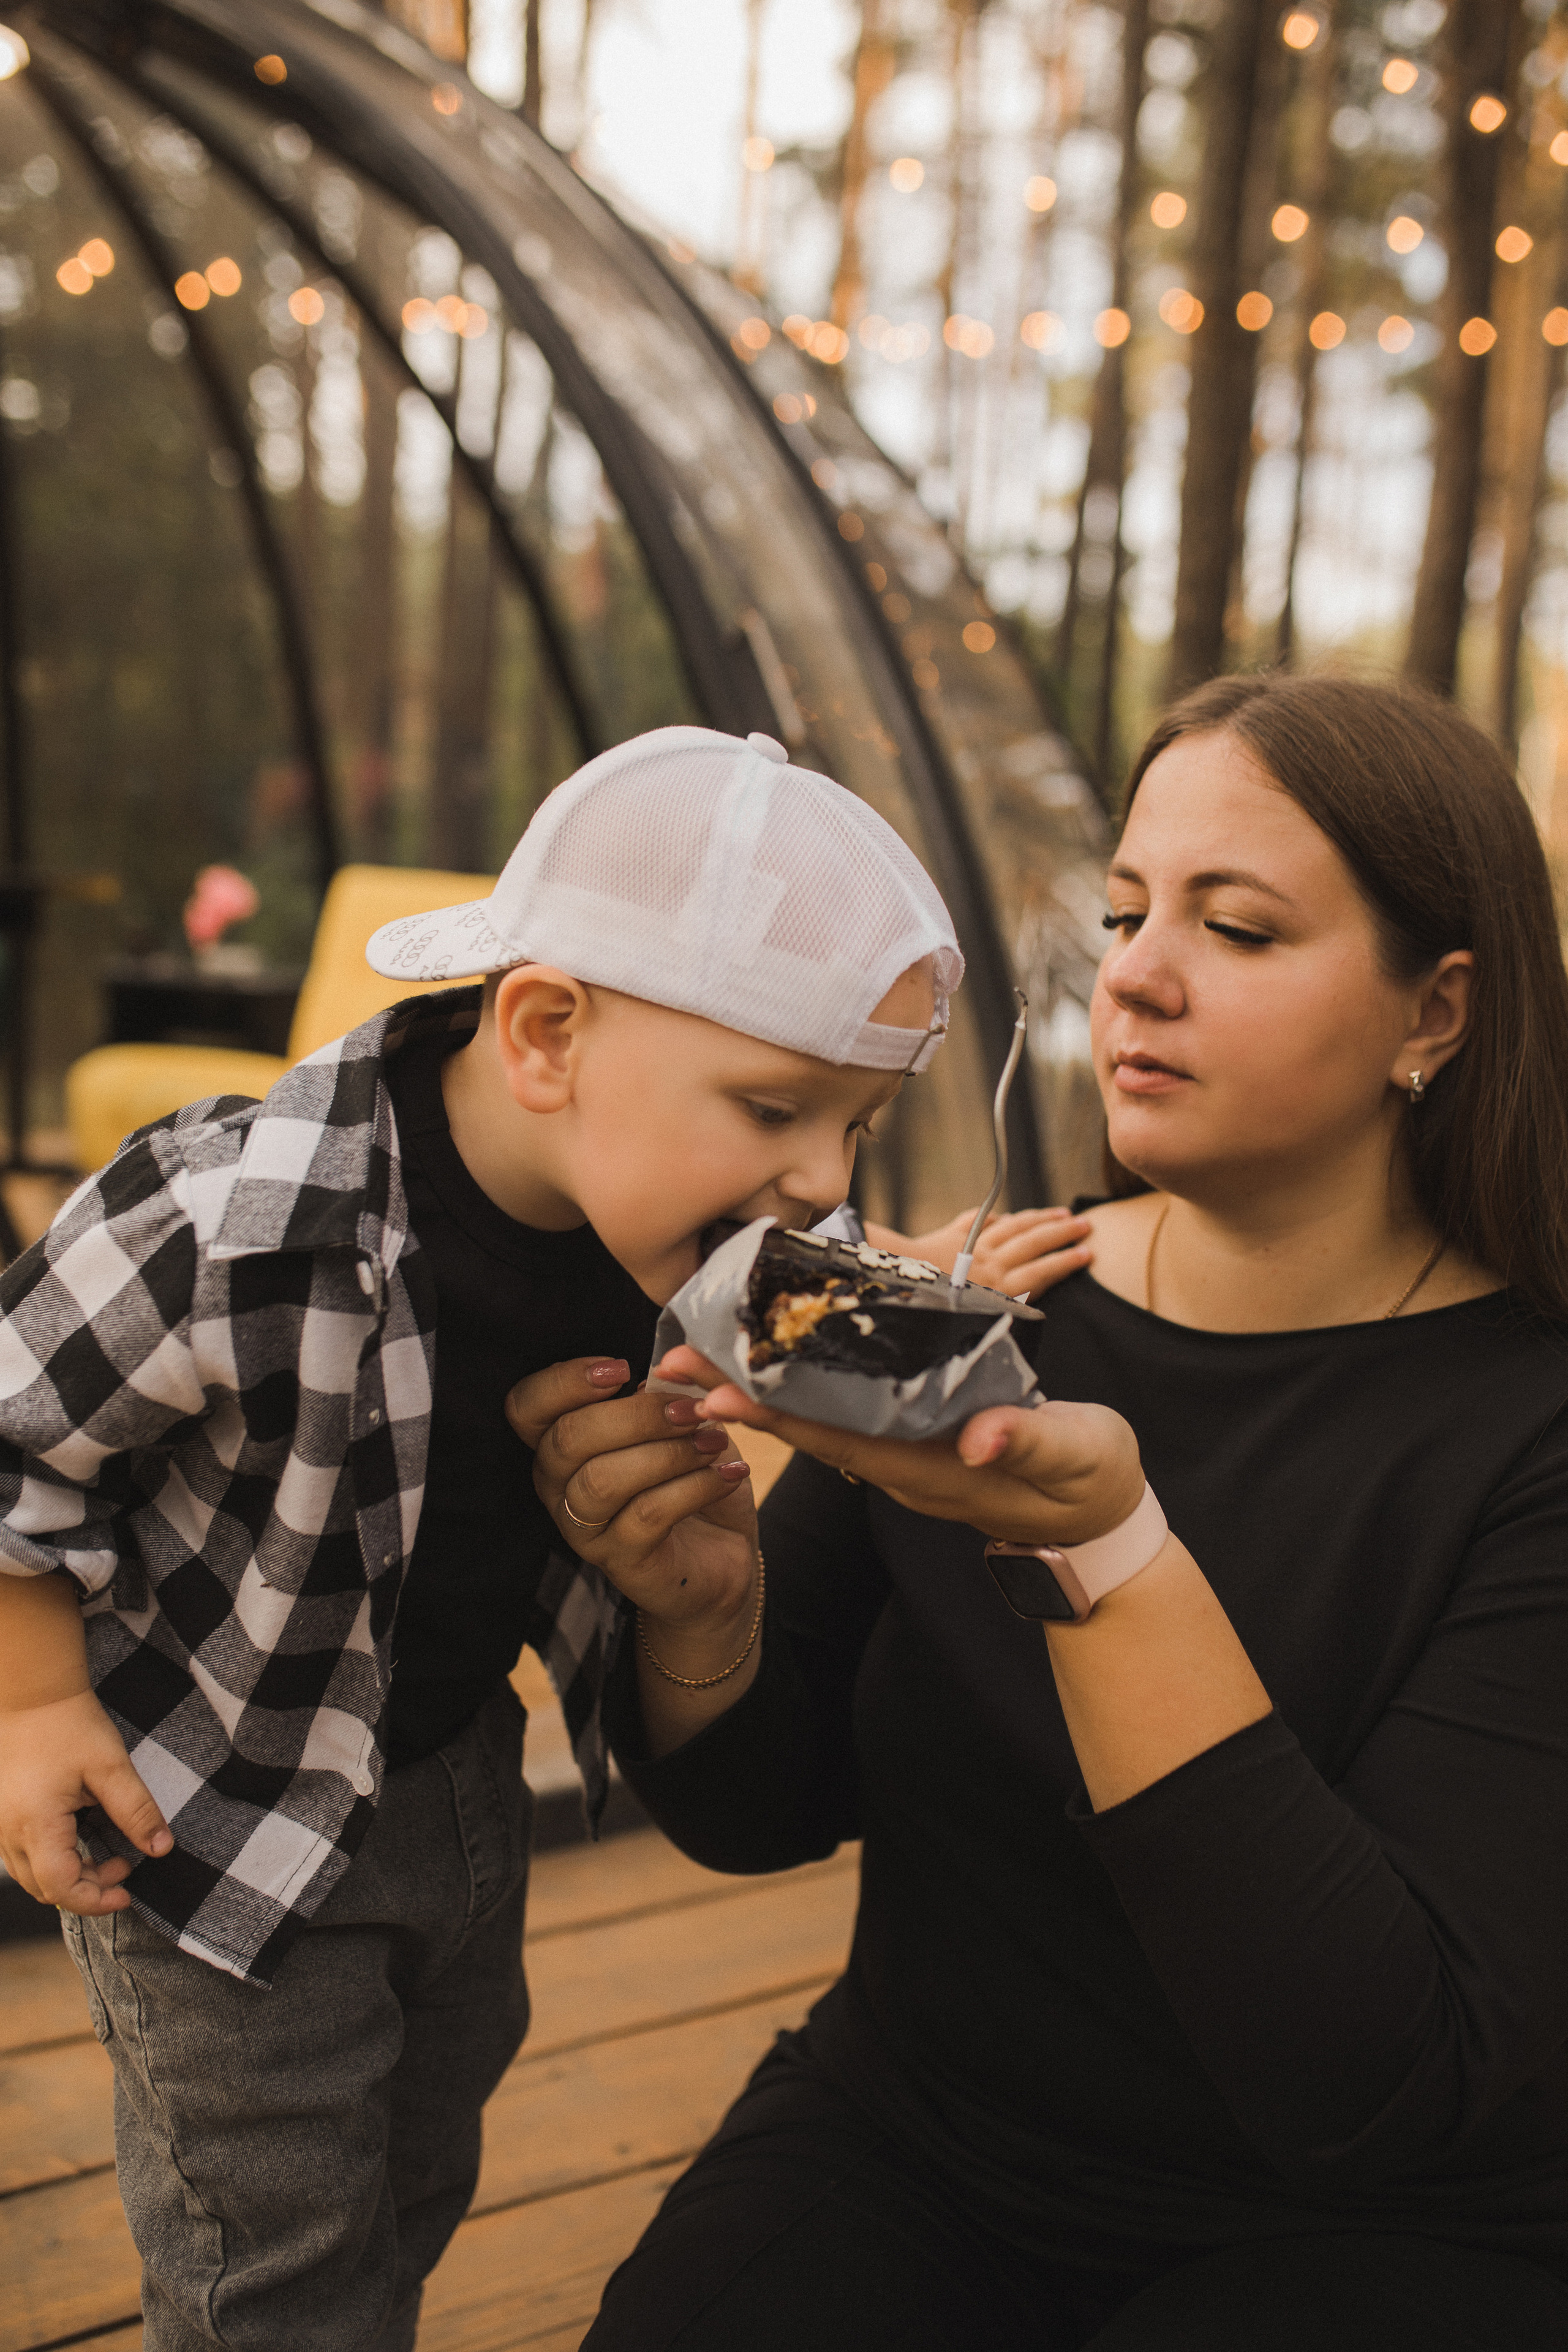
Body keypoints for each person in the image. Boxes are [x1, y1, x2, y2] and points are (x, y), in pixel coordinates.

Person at [514, 674, 1568, 2350]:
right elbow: (760, 1808)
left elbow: (1369, 2082)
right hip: (926, 2144)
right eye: (1128, 911)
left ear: (1434, 1012)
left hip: (1380, 2229)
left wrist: (1107, 1550)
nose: (1133, 974)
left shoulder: (1530, 1431)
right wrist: (704, 1612)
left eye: (1237, 927)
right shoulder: (989, 1308)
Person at [0, 724, 987, 2352]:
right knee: (274, 2248)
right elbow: (16, 1437)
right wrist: (35, 1704)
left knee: (416, 2168)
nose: (821, 1179)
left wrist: (938, 1291)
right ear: (545, 1035)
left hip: (456, 1786)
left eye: (858, 1129)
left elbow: (835, 1303)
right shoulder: (228, 1224)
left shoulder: (675, 1205)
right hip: (216, 1812)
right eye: (778, 1108)